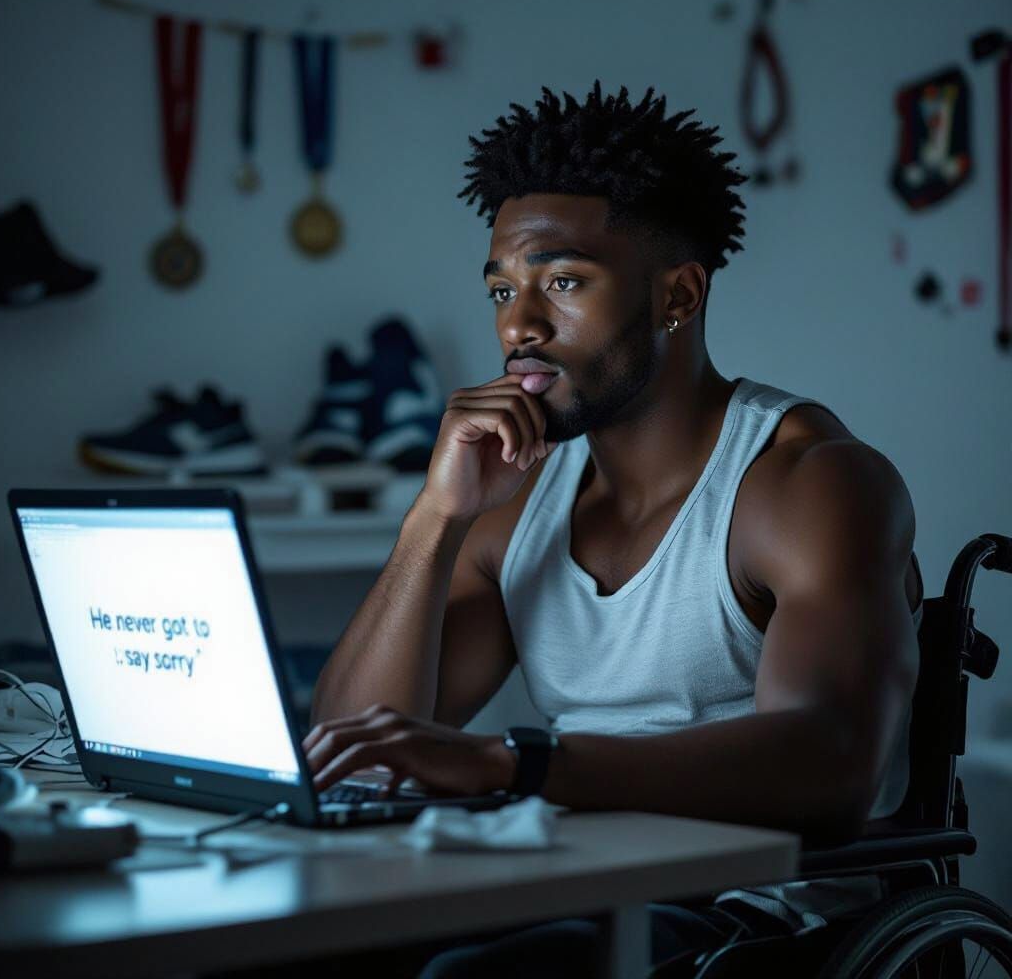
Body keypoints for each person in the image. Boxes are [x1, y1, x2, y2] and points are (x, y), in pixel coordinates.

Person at [302, 81, 925, 976]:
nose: (518, 324)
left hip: (761, 920)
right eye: (502, 288)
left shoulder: (810, 482)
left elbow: (829, 769)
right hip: (573, 885)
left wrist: (512, 765)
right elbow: (359, 749)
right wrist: (433, 519)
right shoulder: (514, 504)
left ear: (677, 296)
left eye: (562, 281)